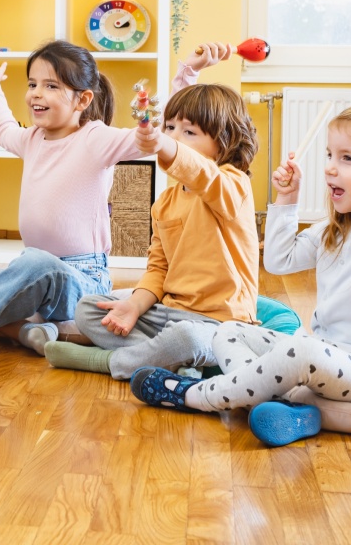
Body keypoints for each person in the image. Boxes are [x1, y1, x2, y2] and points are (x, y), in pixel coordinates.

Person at [130, 94, 351, 448]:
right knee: (229, 332)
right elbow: (278, 261)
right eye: (329, 155)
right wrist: (287, 200)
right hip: (328, 354)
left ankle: (193, 395)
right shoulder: (335, 230)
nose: (329, 168)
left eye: (347, 158)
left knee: (301, 351)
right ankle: (283, 409)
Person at [0, 41, 230, 354]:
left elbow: (159, 127)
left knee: (36, 262)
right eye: (32, 84)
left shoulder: (96, 138)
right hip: (29, 273)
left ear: (82, 100)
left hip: (80, 281)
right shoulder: (31, 139)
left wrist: (188, 71)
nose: (36, 93)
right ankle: (24, 331)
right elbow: (3, 129)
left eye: (51, 86)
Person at [47, 82, 259, 379]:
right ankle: (170, 361)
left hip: (220, 324)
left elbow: (204, 175)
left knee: (187, 338)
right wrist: (133, 306)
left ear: (225, 140)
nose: (173, 137)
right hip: (168, 313)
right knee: (87, 309)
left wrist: (166, 145)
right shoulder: (165, 202)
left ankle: (108, 362)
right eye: (169, 128)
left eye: (189, 132)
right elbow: (158, 268)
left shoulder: (233, 184)